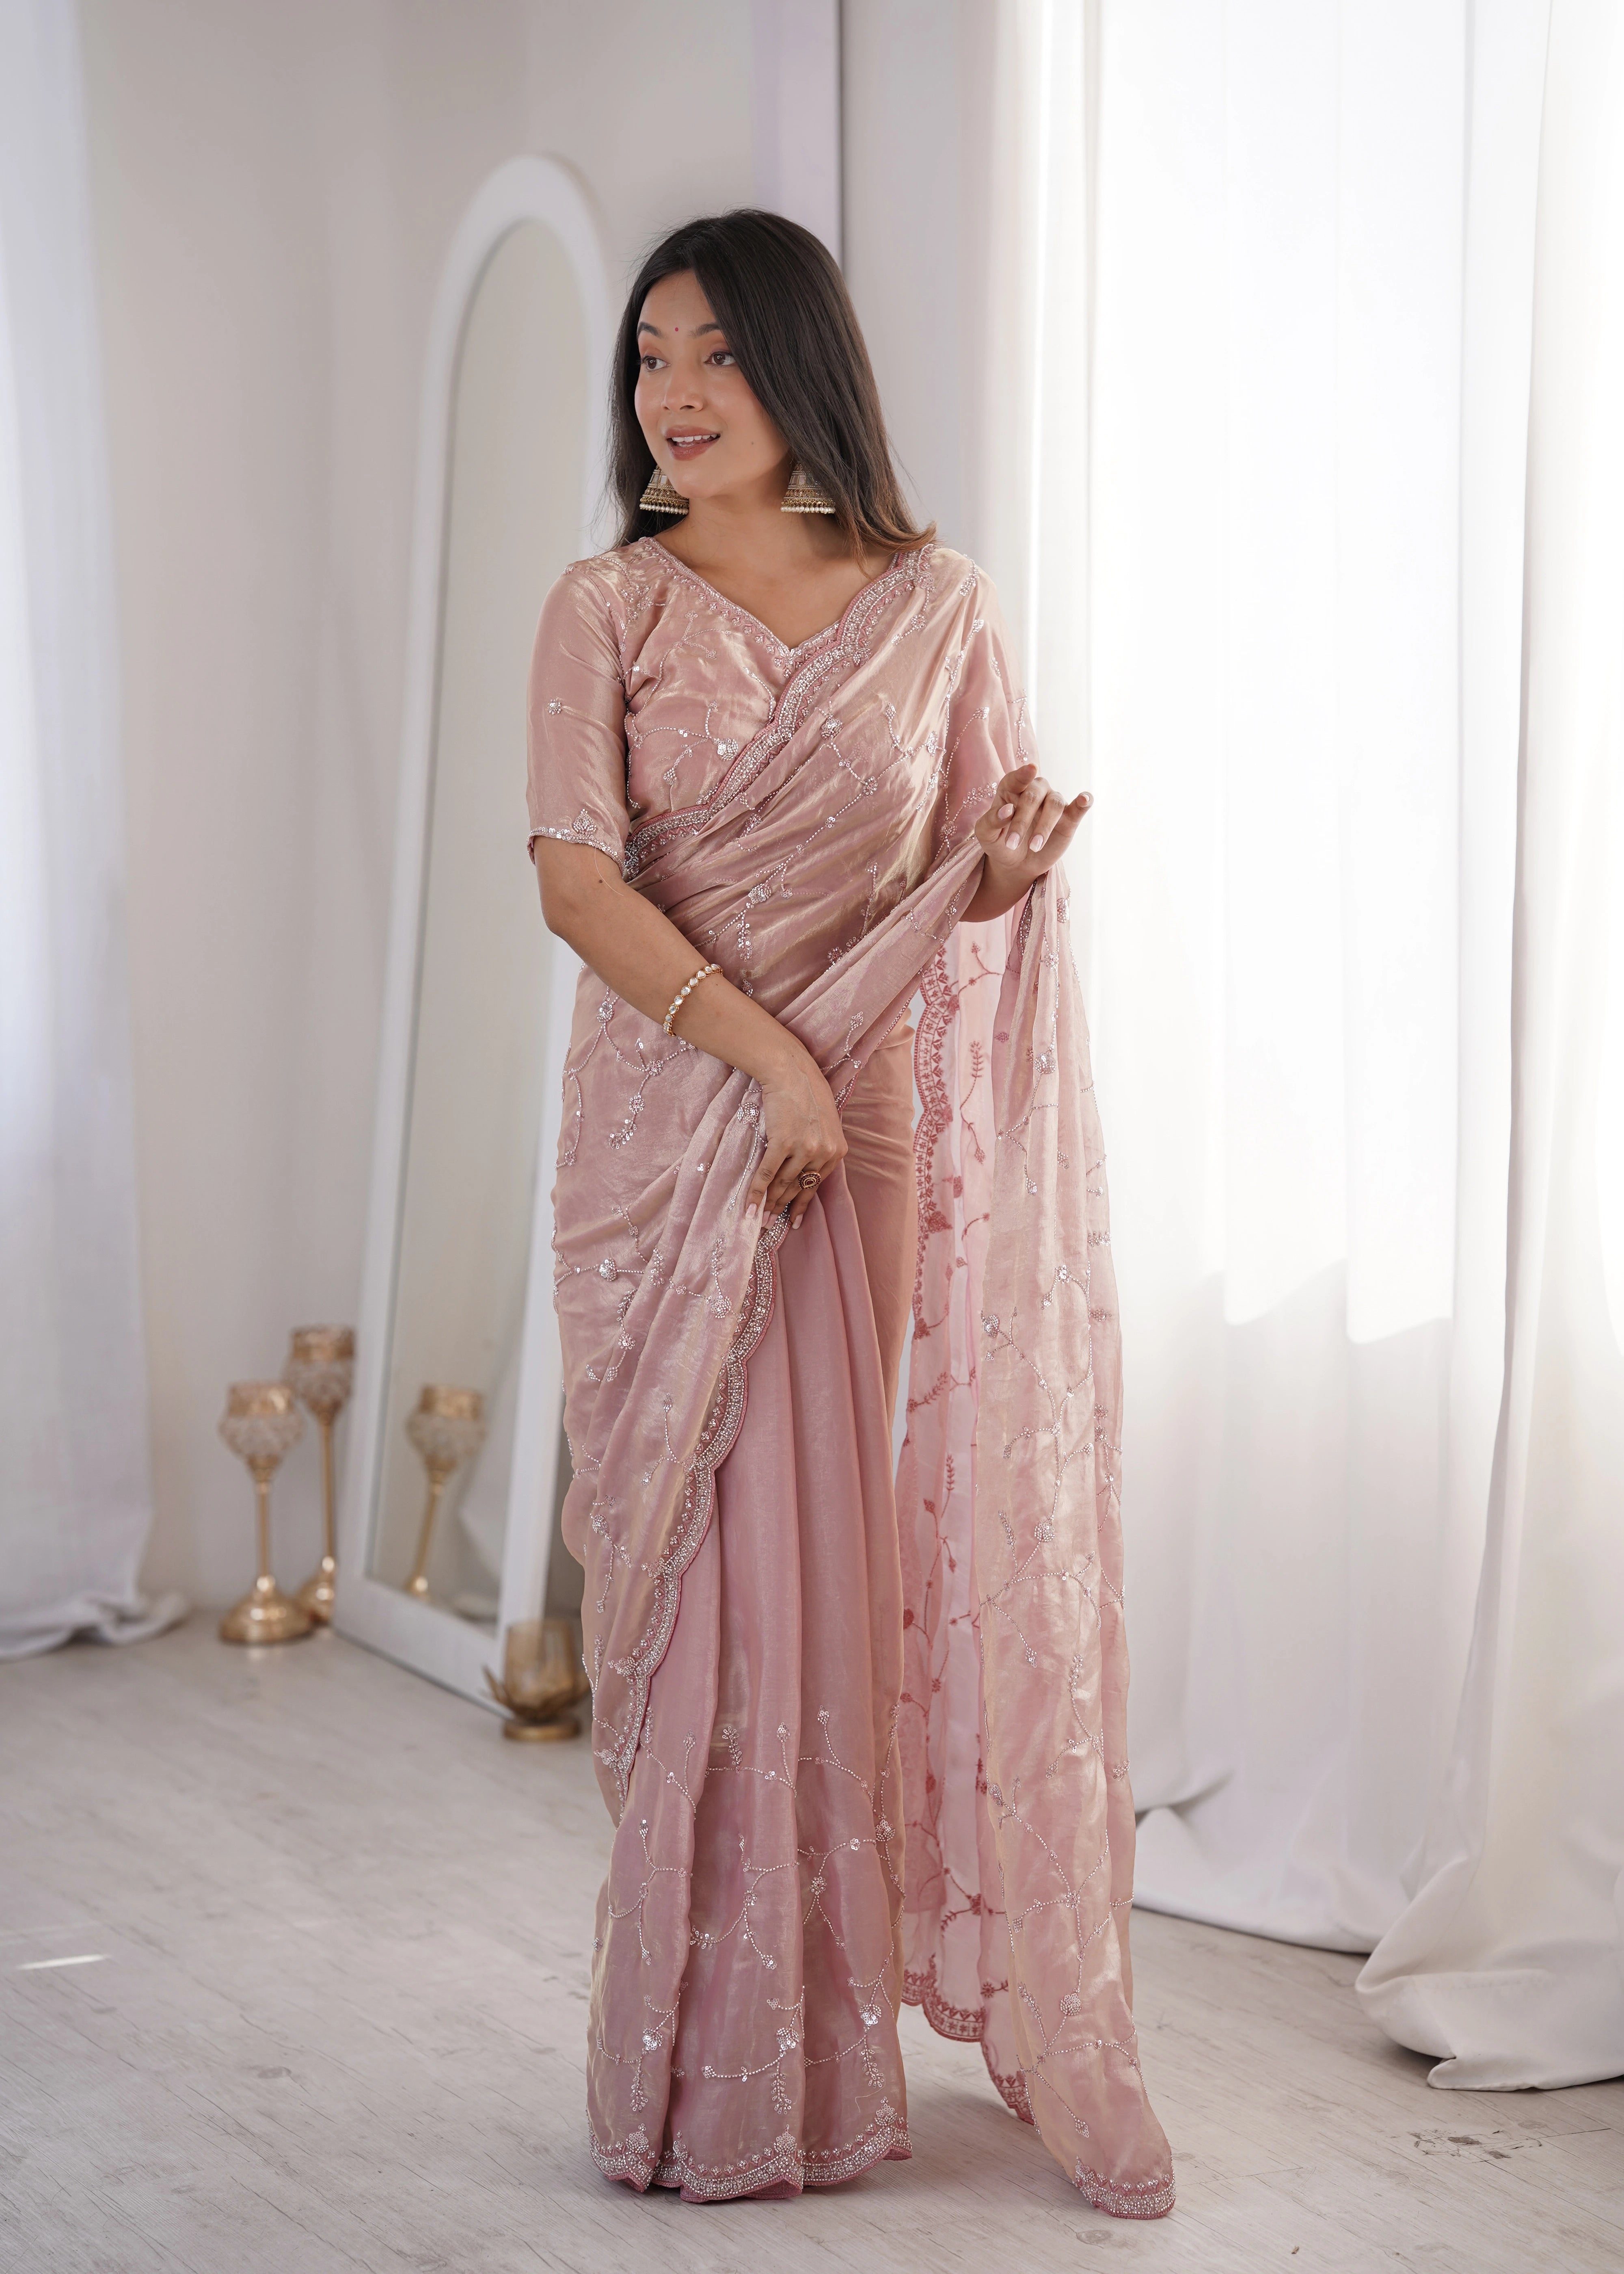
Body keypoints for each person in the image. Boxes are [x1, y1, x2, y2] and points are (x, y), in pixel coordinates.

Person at [527, 208, 1173, 2218]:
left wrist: (988, 882)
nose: (675, 391)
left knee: (821, 1582)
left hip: (861, 1129)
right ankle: (695, 2085)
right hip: (676, 1125)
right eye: (650, 357)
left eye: (712, 350)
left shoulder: (937, 600)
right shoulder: (607, 605)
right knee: (706, 1598)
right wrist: (764, 1059)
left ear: (800, 364)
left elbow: (975, 860)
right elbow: (575, 880)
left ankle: (825, 2070)